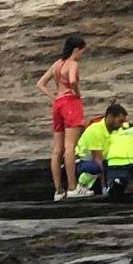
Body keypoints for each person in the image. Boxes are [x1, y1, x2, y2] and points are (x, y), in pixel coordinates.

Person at [37, 37, 88, 201]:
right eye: (82, 51)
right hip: (70, 103)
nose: (81, 55)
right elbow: (73, 80)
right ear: (76, 50)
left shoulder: (57, 64)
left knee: (56, 149)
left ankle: (58, 190)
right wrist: (76, 93)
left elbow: (40, 83)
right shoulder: (72, 63)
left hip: (58, 103)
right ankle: (73, 187)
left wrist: (54, 97)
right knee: (70, 146)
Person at [73, 104, 129, 197]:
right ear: (110, 117)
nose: (122, 124)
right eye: (120, 121)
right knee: (97, 167)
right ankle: (82, 185)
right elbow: (98, 160)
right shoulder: (95, 130)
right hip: (84, 163)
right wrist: (104, 185)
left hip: (103, 161)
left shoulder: (118, 130)